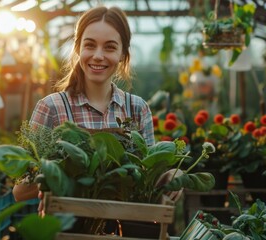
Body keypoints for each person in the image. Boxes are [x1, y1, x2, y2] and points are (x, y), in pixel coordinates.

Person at [12, 4, 182, 209]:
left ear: (122, 54)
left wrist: (172, 174)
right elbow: (20, 191)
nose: (98, 55)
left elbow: (145, 179)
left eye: (109, 47)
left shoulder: (137, 109)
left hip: (124, 227)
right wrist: (59, 175)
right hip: (67, 229)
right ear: (78, 49)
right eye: (90, 45)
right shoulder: (51, 107)